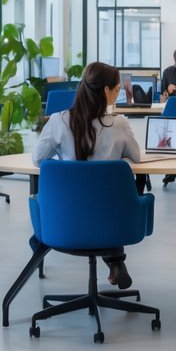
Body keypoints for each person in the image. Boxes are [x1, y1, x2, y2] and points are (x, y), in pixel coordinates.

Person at [32, 62, 142, 289]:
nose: (118, 93)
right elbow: (136, 156)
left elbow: (38, 159)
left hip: (65, 216)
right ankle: (115, 259)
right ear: (106, 90)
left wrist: (66, 170)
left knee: (63, 206)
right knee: (103, 205)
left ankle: (113, 261)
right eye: (117, 89)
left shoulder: (59, 120)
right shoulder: (119, 123)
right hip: (113, 218)